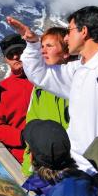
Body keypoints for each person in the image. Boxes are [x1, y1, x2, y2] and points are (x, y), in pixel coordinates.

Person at [7, 6, 98, 175]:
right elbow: (40, 74)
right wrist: (32, 42)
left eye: (69, 31)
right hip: (80, 168)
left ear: (83, 31)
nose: (66, 37)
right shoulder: (78, 69)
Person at [22, 27, 71, 176]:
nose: (43, 51)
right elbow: (31, 122)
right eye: (42, 46)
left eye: (49, 46)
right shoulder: (39, 88)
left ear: (66, 52)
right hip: (37, 167)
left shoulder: (75, 82)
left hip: (67, 167)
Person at [0, 34, 33, 163]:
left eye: (19, 52)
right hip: (20, 158)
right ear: (5, 59)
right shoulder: (3, 88)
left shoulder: (47, 78)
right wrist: (21, 137)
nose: (16, 57)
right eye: (10, 55)